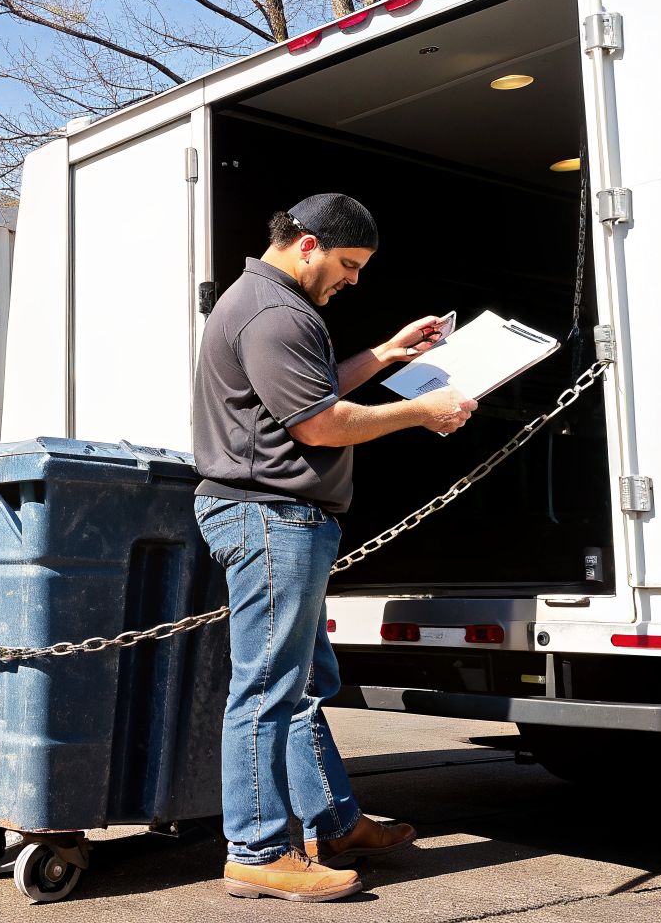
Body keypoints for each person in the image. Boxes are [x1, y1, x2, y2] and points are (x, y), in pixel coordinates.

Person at [192, 193, 476, 902]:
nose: (353, 280)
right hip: (270, 518)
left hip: (282, 519)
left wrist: (388, 352)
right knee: (266, 689)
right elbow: (318, 424)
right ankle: (256, 850)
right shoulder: (275, 311)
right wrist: (421, 412)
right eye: (349, 265)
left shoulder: (273, 304)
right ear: (310, 244)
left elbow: (308, 394)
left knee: (303, 687)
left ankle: (335, 823)